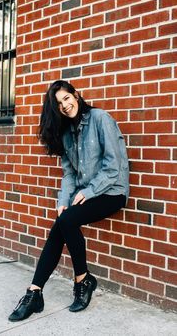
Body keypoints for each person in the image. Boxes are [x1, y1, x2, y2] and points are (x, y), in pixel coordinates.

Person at [8, 80, 129, 322]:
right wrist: (63, 199)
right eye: (58, 104)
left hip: (112, 191)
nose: (64, 105)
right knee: (63, 220)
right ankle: (35, 291)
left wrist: (91, 190)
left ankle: (82, 280)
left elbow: (113, 166)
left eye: (66, 98)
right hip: (87, 193)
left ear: (75, 95)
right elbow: (70, 174)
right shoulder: (66, 134)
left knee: (67, 221)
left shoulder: (100, 118)